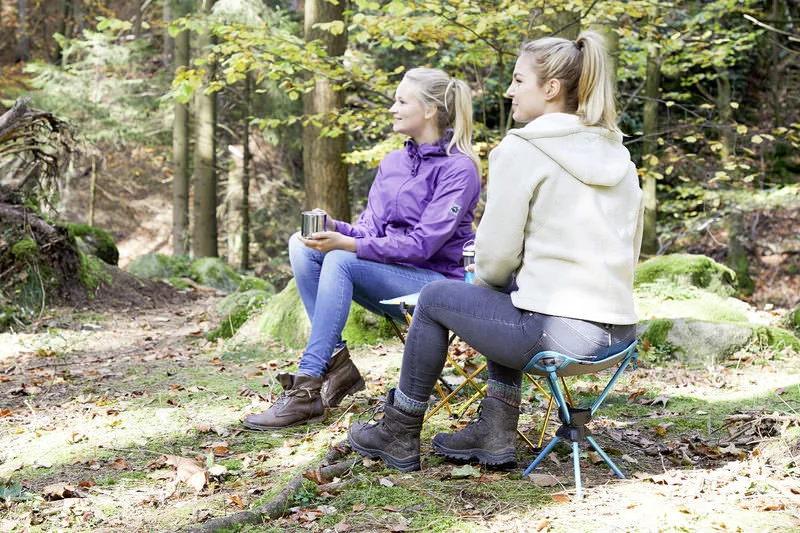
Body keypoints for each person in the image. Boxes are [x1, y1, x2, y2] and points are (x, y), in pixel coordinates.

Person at [347, 31, 644, 472]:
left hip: (558, 338)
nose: (509, 90)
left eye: (518, 80)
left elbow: (496, 256)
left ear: (550, 89)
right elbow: (631, 249)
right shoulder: (618, 155)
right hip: (618, 336)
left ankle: (399, 429)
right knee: (506, 292)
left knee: (438, 298)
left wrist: (487, 286)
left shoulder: (522, 149)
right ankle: (495, 431)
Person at [243, 68, 482, 430]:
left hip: (439, 286)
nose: (392, 108)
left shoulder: (458, 168)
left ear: (431, 109)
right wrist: (334, 228)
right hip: (392, 279)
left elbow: (422, 245)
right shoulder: (393, 163)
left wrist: (346, 243)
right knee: (302, 244)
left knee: (340, 258)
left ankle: (307, 384)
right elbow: (370, 231)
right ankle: (338, 363)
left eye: (402, 101)